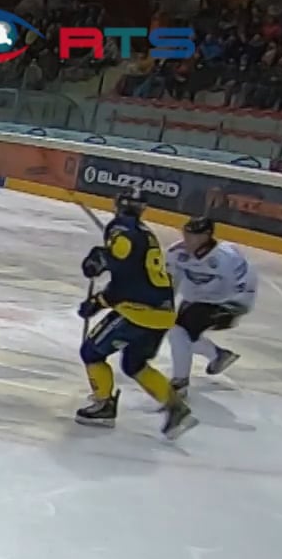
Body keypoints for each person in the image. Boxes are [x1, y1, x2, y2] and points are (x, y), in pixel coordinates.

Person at [75, 187, 194, 437]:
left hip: (138, 311)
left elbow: (126, 279)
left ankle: (104, 405)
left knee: (92, 352)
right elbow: (133, 273)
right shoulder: (145, 232)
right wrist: (104, 262)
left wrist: (98, 296)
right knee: (134, 363)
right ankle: (175, 406)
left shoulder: (121, 230)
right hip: (163, 312)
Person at [166, 215, 256, 391]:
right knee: (180, 335)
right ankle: (217, 355)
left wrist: (235, 307)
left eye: (192, 236)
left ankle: (180, 382)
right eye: (186, 234)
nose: (187, 239)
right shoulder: (176, 252)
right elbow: (170, 280)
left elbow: (246, 283)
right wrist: (165, 303)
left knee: (179, 332)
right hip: (195, 300)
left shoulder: (227, 257)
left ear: (206, 236)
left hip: (227, 303)